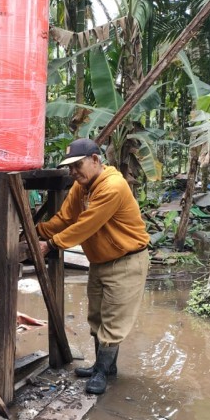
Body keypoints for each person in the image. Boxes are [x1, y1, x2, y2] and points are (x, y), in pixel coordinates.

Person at [36, 138, 150, 395]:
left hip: (126, 260)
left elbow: (86, 224)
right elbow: (65, 218)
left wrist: (51, 244)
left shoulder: (113, 186)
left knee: (113, 320)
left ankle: (102, 372)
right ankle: (105, 367)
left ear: (95, 160)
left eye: (77, 166)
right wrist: (36, 231)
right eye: (70, 168)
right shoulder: (82, 187)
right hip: (99, 260)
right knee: (97, 316)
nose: (73, 173)